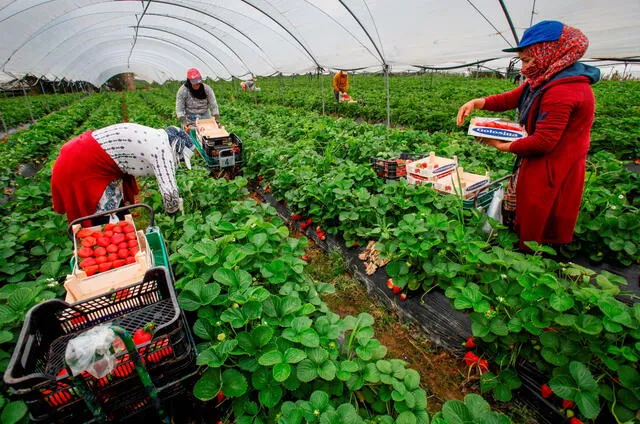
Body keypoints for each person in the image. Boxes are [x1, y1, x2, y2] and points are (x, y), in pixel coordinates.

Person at [456, 20, 600, 249]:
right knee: (525, 207)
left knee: (539, 213)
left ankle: (530, 259)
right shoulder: (546, 79)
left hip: (553, 166)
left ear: (549, 53)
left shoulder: (564, 90)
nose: (523, 68)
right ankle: (521, 246)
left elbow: (543, 142)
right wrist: (479, 103)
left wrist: (502, 145)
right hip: (539, 161)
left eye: (527, 59)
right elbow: (513, 96)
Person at [51, 123, 196, 223]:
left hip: (81, 154)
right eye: (181, 159)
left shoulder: (157, 137)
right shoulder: (162, 151)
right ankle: (107, 240)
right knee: (103, 211)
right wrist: (177, 216)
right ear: (176, 149)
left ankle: (121, 228)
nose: (180, 162)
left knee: (116, 205)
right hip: (81, 165)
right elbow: (169, 194)